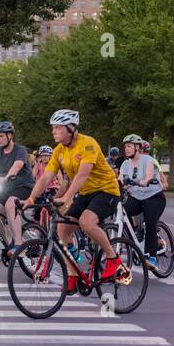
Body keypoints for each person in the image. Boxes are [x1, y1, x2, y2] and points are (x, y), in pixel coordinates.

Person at [21, 109, 126, 290]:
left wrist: (66, 197)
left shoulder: (88, 144)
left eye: (57, 128)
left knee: (86, 222)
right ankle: (73, 275)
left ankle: (113, 259)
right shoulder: (59, 150)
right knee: (62, 231)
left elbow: (82, 175)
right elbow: (46, 177)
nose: (53, 132)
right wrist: (31, 199)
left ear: (71, 129)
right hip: (85, 193)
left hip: (106, 190)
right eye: (53, 128)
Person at [0, 120, 36, 252]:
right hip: (7, 189)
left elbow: (17, 166)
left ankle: (18, 243)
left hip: (23, 187)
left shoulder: (20, 150)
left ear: (10, 136)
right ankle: (6, 244)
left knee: (11, 204)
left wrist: (5, 178)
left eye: (1, 136)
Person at [118, 134, 166, 270]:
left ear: (137, 147)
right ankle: (134, 240)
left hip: (154, 197)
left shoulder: (147, 160)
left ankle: (152, 257)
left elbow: (149, 176)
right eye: (125, 146)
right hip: (137, 198)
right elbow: (120, 180)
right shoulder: (125, 164)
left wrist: (145, 181)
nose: (126, 149)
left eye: (129, 146)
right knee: (122, 213)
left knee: (150, 223)